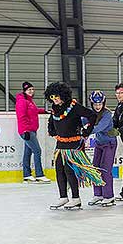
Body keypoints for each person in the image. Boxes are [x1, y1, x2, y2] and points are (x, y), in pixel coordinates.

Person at [45, 82, 104, 210]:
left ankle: (76, 199)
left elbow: (92, 115)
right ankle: (63, 197)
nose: (54, 100)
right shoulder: (55, 109)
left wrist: (86, 131)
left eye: (57, 97)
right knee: (59, 169)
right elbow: (51, 121)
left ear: (63, 95)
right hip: (60, 144)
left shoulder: (74, 107)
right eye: (52, 98)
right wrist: (52, 132)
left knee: (69, 170)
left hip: (73, 144)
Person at [15, 81, 51, 184]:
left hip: (32, 130)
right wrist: (25, 130)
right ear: (25, 91)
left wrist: (45, 111)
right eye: (29, 90)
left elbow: (34, 110)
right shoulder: (22, 101)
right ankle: (39, 175)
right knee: (37, 151)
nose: (31, 91)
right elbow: (21, 117)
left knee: (28, 152)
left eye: (32, 89)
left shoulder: (29, 101)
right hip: (27, 131)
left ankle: (27, 175)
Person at [87, 91, 118, 207]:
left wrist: (86, 130)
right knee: (95, 168)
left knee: (105, 169)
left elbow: (99, 127)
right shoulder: (91, 113)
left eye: (100, 104)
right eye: (95, 104)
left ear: (103, 103)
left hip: (109, 143)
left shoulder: (107, 114)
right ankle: (98, 194)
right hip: (99, 144)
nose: (98, 107)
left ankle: (108, 196)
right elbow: (83, 121)